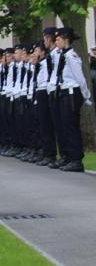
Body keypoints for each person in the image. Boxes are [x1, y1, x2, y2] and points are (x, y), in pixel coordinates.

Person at [48, 27, 92, 172]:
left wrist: (86, 96)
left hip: (72, 93)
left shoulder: (71, 56)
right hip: (64, 92)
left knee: (71, 127)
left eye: (59, 39)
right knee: (64, 127)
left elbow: (80, 78)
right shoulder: (61, 55)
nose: (57, 42)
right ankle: (68, 156)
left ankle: (76, 160)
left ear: (66, 40)